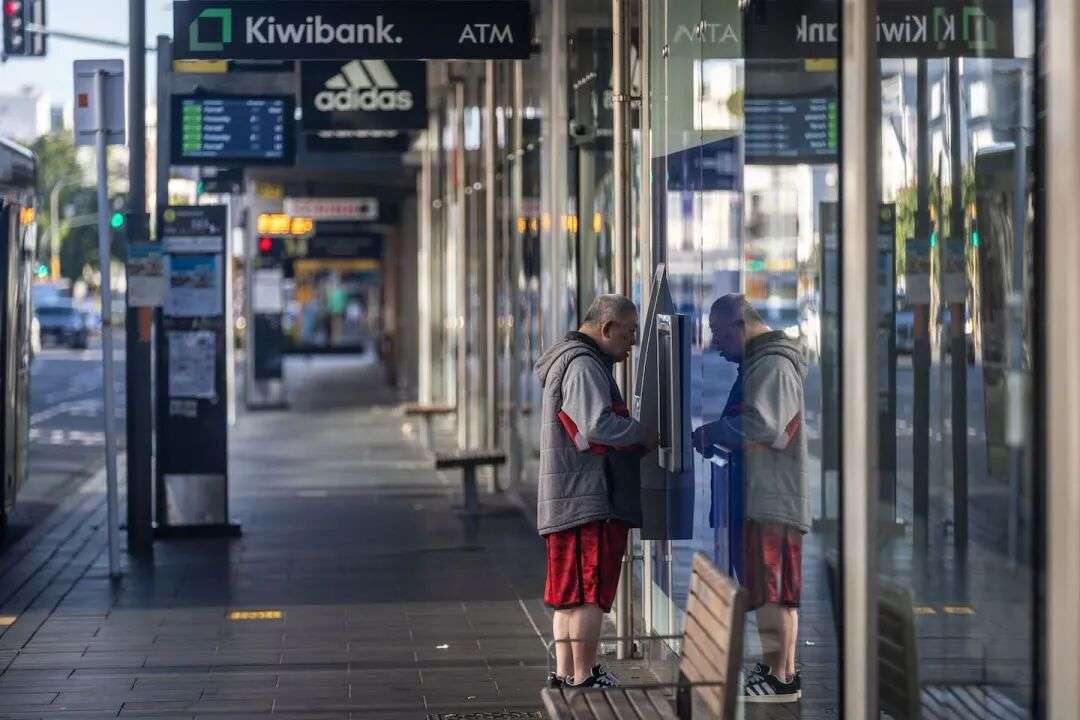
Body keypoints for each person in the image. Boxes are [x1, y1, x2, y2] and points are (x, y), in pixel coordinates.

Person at [693, 294, 810, 704]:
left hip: (772, 499)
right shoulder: (759, 364)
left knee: (773, 591)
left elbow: (764, 425)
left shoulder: (773, 365)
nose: (714, 342)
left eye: (718, 332)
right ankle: (778, 667)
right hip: (759, 497)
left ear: (740, 325)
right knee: (766, 589)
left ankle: (782, 677)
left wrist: (714, 432)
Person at [534, 294, 655, 689]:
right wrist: (645, 434)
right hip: (589, 499)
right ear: (606, 329)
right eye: (629, 333)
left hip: (565, 497)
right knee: (590, 595)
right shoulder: (585, 366)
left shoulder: (568, 360)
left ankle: (566, 671)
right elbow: (596, 426)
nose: (632, 343)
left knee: (568, 595)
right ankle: (583, 674)